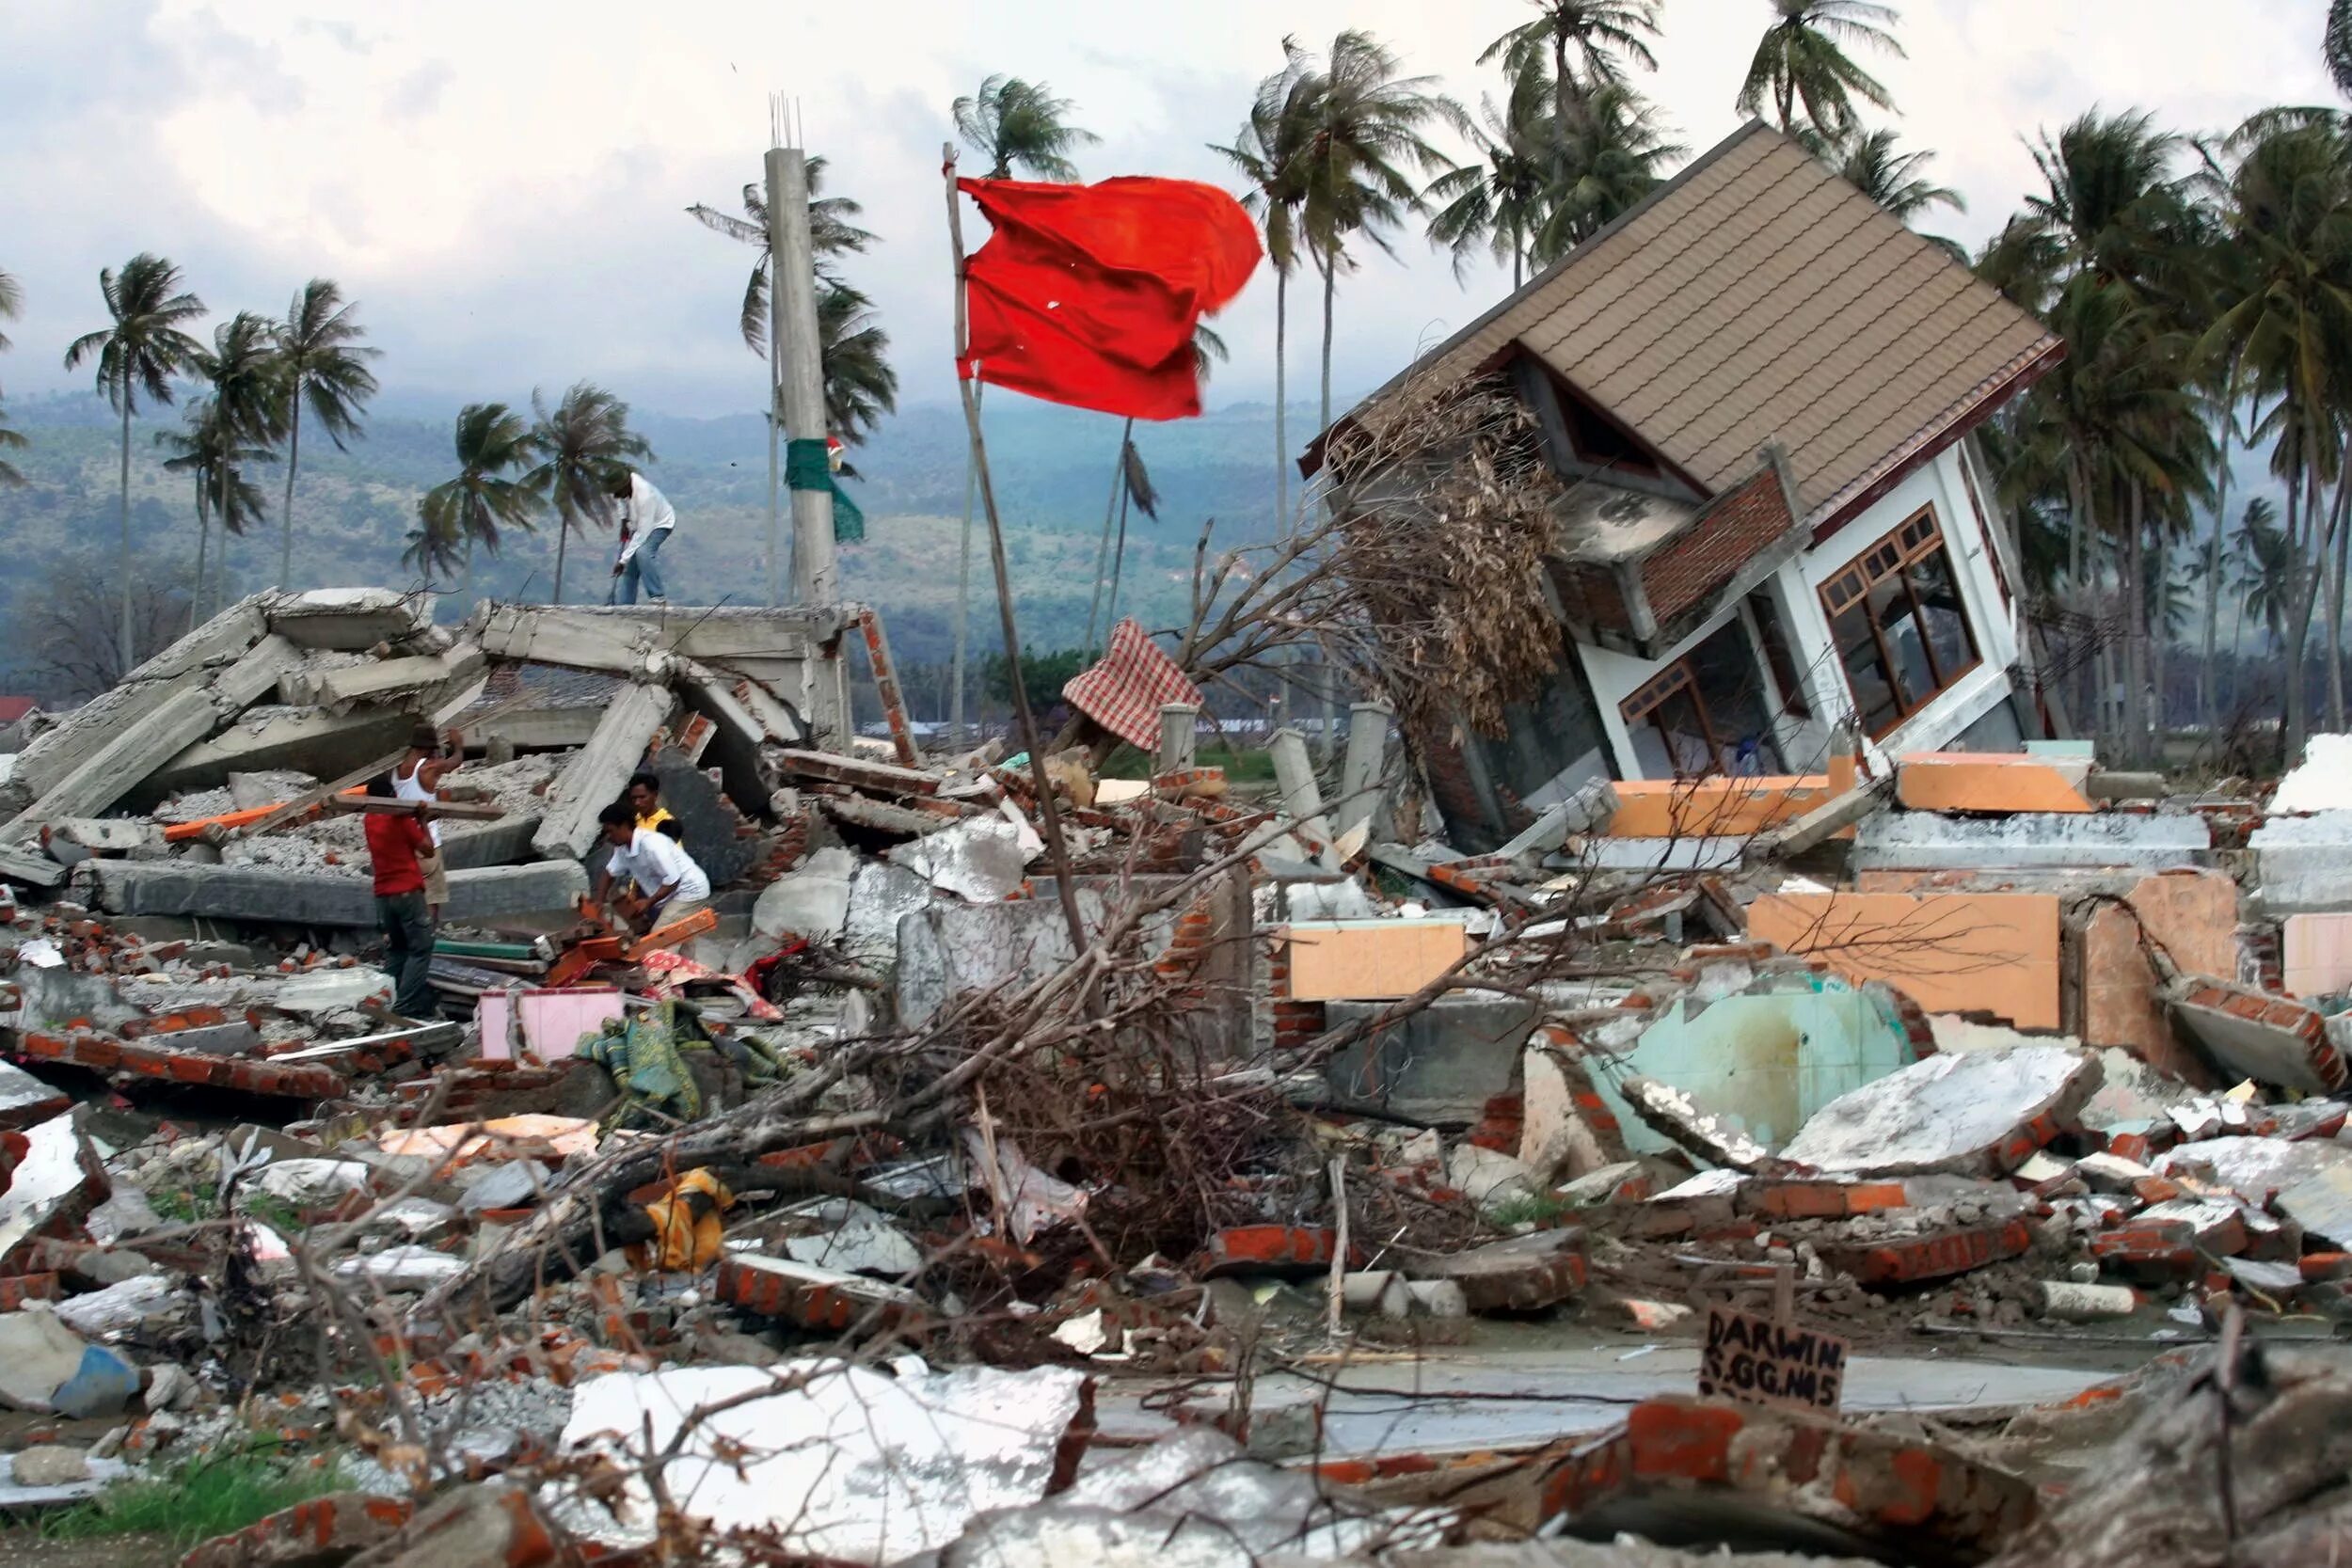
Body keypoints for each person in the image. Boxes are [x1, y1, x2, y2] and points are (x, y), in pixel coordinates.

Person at [363, 774, 438, 1020]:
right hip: (406, 891)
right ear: (393, 796)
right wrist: (423, 821)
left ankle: (385, 1001)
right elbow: (427, 850)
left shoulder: (369, 819)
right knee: (421, 949)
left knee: (397, 950)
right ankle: (404, 1007)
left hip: (383, 896)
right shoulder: (401, 818)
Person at [596, 800, 710, 931]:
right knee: (682, 938)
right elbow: (609, 873)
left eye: (610, 831)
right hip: (673, 894)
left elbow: (673, 879)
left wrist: (649, 902)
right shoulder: (622, 849)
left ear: (625, 825)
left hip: (689, 890)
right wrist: (599, 902)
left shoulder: (651, 844)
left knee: (660, 936)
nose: (608, 837)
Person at [391, 725, 459, 917]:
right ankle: (426, 936)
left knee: (407, 896)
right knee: (431, 898)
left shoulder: (398, 769)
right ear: (430, 748)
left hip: (403, 842)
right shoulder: (429, 768)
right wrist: (458, 745)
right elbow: (454, 762)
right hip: (427, 843)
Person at [609, 466, 677, 606]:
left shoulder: (645, 496)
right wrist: (623, 521)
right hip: (639, 523)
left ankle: (657, 596)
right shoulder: (623, 486)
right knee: (630, 568)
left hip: (660, 523)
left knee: (643, 552)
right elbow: (621, 501)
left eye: (618, 492)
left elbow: (642, 535)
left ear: (626, 485)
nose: (616, 496)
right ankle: (625, 606)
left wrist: (622, 561)